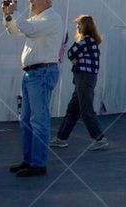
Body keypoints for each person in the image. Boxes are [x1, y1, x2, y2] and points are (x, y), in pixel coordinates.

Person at [4, 0, 63, 177]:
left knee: (38, 120)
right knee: (27, 121)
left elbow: (29, 31)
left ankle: (38, 164)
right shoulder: (37, 19)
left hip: (42, 73)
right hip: (32, 74)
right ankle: (29, 160)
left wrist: (16, 13)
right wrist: (8, 16)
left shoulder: (51, 18)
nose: (30, 1)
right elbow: (15, 32)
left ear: (47, 1)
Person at [51, 15, 108, 151]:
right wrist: (75, 59)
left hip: (83, 77)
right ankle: (62, 138)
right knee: (73, 109)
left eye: (79, 25)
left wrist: (75, 59)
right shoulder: (92, 41)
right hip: (85, 78)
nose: (77, 27)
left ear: (86, 26)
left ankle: (99, 139)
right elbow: (73, 55)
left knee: (85, 109)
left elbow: (71, 52)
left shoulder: (86, 41)